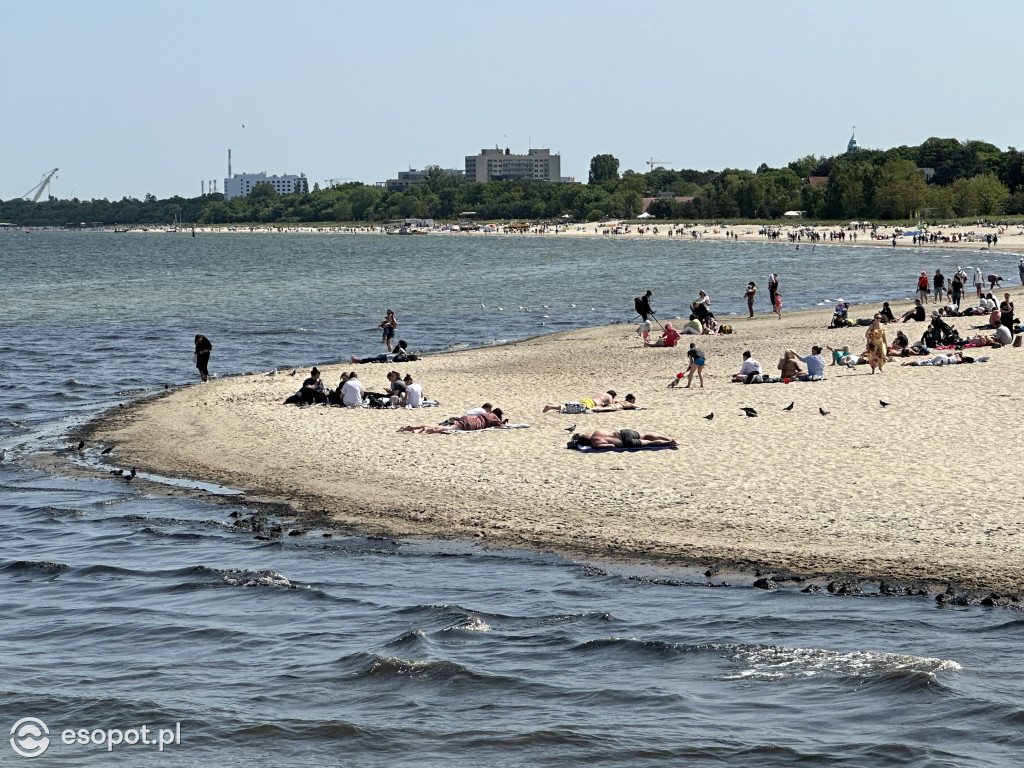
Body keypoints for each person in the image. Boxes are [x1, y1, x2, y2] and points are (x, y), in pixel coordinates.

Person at [399, 408, 506, 434]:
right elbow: (502, 426)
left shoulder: (484, 413)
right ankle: (430, 430)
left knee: (442, 424)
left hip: (467, 418)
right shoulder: (494, 417)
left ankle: (412, 427)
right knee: (451, 428)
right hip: (471, 423)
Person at [570, 429, 677, 449]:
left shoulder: (595, 444)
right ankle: (668, 438)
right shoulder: (595, 432)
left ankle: (669, 443)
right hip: (623, 432)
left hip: (625, 442)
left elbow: (611, 445)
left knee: (649, 443)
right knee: (645, 435)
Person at [543, 391, 619, 413]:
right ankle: (555, 407)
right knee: (578, 409)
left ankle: (552, 407)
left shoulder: (600, 393)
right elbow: (611, 405)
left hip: (586, 399)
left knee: (574, 406)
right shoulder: (609, 396)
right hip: (591, 403)